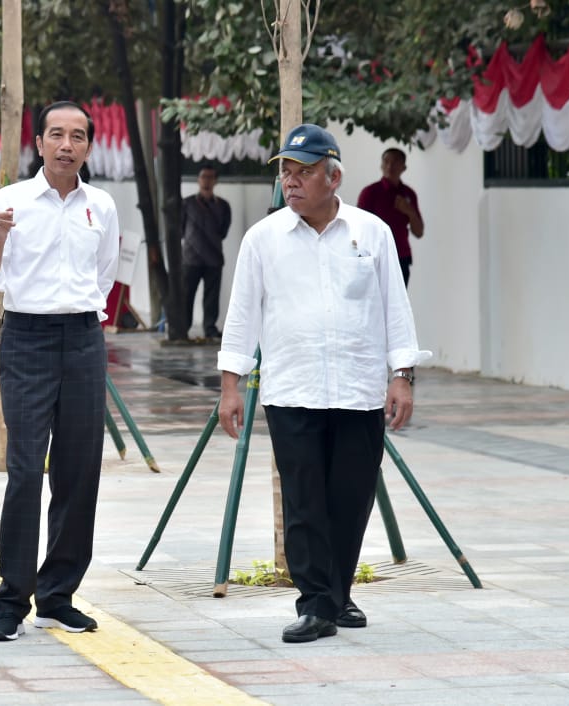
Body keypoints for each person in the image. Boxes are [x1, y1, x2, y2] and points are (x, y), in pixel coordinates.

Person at [217, 124, 431, 644]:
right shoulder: (263, 239)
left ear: (333, 177)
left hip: (358, 391)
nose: (292, 182)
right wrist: (231, 385)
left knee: (351, 498)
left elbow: (395, 313)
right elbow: (242, 316)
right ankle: (316, 602)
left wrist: (401, 377)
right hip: (293, 391)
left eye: (304, 172)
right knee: (305, 499)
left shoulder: (372, 233)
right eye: (287, 172)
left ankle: (337, 593)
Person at [0, 101, 119, 642]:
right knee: (27, 470)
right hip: (26, 339)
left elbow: (103, 277)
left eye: (77, 136)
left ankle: (58, 596)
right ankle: (11, 598)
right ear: (38, 142)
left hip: (82, 340)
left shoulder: (100, 205)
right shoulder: (10, 201)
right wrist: (2, 237)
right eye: (56, 134)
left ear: (87, 146)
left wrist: (80, 318)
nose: (66, 145)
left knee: (80, 472)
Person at [357, 147, 424, 286]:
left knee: (397, 306)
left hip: (401, 257)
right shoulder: (370, 192)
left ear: (404, 167)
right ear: (381, 165)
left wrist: (409, 211)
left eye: (395, 162)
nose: (390, 166)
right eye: (386, 161)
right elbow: (359, 228)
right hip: (375, 257)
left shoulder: (408, 194)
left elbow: (419, 232)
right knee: (374, 304)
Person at [181, 163, 232, 339]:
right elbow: (181, 229)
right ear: (198, 179)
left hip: (214, 258)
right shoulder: (187, 203)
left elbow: (223, 231)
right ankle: (183, 327)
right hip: (190, 258)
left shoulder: (223, 206)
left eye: (210, 177)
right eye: (204, 177)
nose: (206, 181)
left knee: (211, 298)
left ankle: (210, 328)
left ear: (216, 181)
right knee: (187, 295)